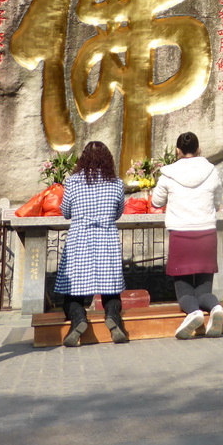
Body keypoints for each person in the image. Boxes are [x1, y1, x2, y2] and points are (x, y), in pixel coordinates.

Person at [53, 141, 128, 346]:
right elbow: (118, 212)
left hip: (80, 239)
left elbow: (65, 211)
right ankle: (112, 317)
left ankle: (78, 319)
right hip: (107, 238)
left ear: (83, 159)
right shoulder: (116, 183)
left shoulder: (73, 182)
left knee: (73, 292)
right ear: (108, 160)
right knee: (110, 289)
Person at [152, 131, 223, 339]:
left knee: (184, 292)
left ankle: (193, 313)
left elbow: (157, 202)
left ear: (177, 150)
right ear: (198, 148)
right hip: (206, 233)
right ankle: (215, 308)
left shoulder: (168, 173)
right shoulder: (211, 170)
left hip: (181, 235)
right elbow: (218, 200)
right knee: (204, 290)